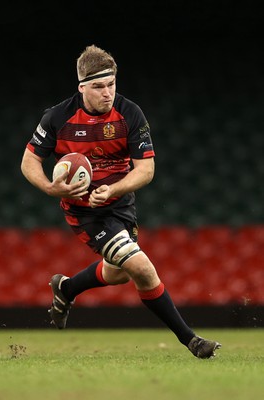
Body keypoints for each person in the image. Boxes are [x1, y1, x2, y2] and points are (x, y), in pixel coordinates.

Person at [21, 44, 221, 358]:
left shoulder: (130, 113)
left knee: (119, 272)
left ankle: (67, 288)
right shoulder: (58, 117)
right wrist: (50, 188)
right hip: (85, 212)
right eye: (98, 86)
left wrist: (114, 190)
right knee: (142, 268)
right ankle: (192, 341)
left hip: (120, 205)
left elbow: (146, 169)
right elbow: (29, 161)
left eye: (111, 84)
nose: (107, 92)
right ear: (82, 87)